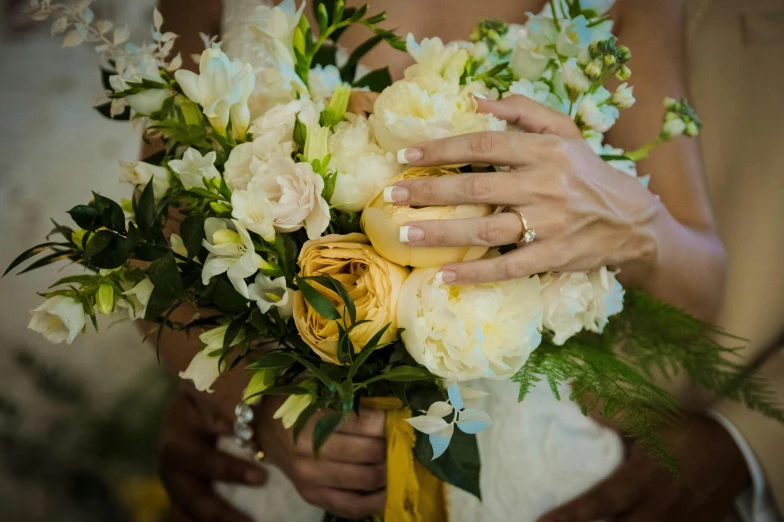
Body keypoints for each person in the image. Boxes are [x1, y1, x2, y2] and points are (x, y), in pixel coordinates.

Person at [149, 0, 783, 520]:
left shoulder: (620, 10)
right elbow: (154, 270)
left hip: (529, 475)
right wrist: (260, 412)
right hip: (303, 472)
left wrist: (622, 216)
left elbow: (701, 297)